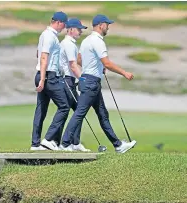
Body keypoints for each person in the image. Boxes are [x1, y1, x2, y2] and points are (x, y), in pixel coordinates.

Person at [61, 14, 137, 153]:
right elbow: (107, 63)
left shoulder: (86, 40)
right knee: (80, 113)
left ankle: (118, 145)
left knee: (102, 114)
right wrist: (124, 73)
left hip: (90, 81)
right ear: (101, 25)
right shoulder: (98, 41)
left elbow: (79, 60)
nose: (108, 27)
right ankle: (65, 143)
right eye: (107, 25)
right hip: (91, 83)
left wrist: (95, 66)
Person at [31, 11, 70, 151]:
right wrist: (42, 79)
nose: (65, 27)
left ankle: (35, 144)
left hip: (43, 74)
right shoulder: (49, 36)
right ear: (58, 22)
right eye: (64, 24)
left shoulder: (44, 35)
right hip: (48, 76)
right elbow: (43, 57)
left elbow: (38, 53)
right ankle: (48, 139)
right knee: (64, 106)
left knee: (41, 110)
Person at [58, 18, 90, 152]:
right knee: (78, 110)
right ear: (70, 30)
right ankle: (69, 143)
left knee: (77, 110)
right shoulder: (69, 44)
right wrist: (83, 80)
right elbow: (72, 65)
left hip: (67, 80)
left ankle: (73, 142)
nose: (80, 32)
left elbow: (76, 61)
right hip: (67, 80)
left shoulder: (67, 43)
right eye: (78, 29)